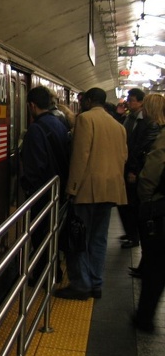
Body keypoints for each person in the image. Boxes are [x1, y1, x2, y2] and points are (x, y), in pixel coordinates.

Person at [54, 87, 127, 300]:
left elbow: (80, 157)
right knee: (98, 238)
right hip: (110, 189)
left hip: (88, 189)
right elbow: (123, 156)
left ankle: (81, 284)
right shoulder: (117, 125)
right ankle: (96, 283)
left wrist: (72, 188)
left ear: (89, 100)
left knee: (79, 237)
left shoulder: (85, 119)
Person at [21, 86, 71, 285]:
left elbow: (35, 166)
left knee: (40, 234)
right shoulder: (58, 123)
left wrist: (27, 187)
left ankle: (44, 276)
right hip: (58, 188)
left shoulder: (36, 129)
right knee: (52, 233)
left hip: (42, 193)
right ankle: (54, 271)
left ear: (32, 105)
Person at [132, 93, 165, 333]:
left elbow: (151, 173)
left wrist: (146, 201)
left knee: (156, 266)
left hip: (160, 207)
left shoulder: (161, 135)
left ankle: (144, 318)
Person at [118, 88, 156, 249]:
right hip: (125, 165)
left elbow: (139, 148)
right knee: (124, 203)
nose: (128, 101)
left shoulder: (147, 122)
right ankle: (130, 232)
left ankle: (134, 237)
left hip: (134, 168)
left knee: (132, 204)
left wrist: (134, 170)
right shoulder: (128, 118)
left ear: (141, 102)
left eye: (131, 99)